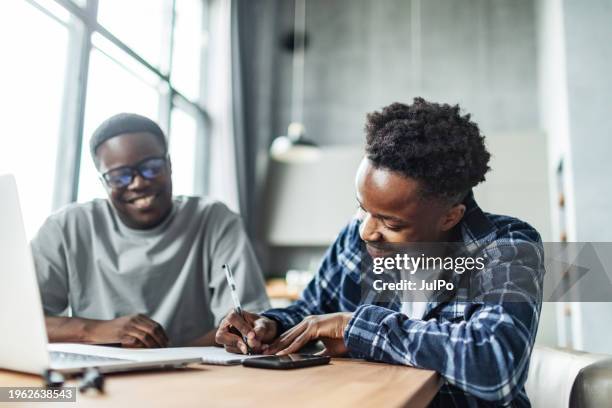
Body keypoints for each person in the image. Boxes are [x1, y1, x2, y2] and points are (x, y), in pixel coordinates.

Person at [216, 98, 544, 407]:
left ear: (449, 217)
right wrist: (269, 325)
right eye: (363, 209)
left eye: (390, 222)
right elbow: (312, 311)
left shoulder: (506, 246)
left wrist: (355, 327)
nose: (366, 231)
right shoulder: (356, 240)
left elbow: (494, 361)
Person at [32, 113, 270, 348]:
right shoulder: (66, 227)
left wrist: (168, 357)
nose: (138, 183)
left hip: (195, 373)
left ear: (169, 165)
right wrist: (93, 330)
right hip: (97, 377)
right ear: (103, 182)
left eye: (151, 167)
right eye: (119, 176)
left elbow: (247, 324)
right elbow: (12, 319)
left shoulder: (214, 219)